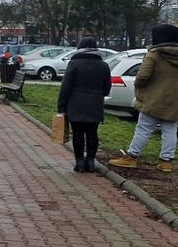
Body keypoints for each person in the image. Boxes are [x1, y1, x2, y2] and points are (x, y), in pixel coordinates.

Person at [109, 24, 178, 173]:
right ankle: (166, 161)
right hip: (175, 101)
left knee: (144, 128)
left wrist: (139, 86)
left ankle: (132, 156)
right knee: (170, 129)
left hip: (153, 98)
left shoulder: (154, 54)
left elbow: (142, 77)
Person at [56, 37, 112, 173]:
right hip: (95, 104)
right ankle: (91, 161)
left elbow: (66, 87)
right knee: (93, 133)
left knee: (78, 134)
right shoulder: (104, 65)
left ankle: (80, 162)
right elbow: (107, 88)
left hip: (75, 105)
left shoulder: (74, 64)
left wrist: (61, 106)